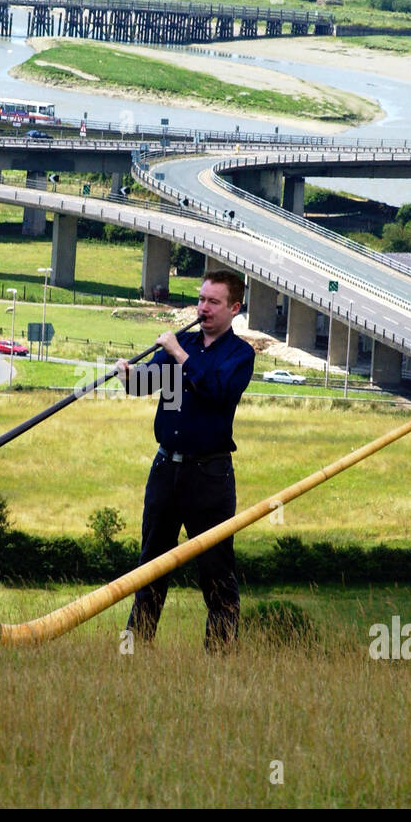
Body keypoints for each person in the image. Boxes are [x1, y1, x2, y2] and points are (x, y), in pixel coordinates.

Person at [115, 269, 255, 652]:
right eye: (201, 299)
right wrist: (129, 377)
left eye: (213, 302)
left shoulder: (240, 355)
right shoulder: (186, 342)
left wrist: (179, 353)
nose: (203, 308)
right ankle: (132, 651)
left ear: (234, 308)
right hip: (165, 472)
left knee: (217, 573)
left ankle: (219, 658)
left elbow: (215, 390)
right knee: (151, 567)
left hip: (209, 476)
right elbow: (147, 384)